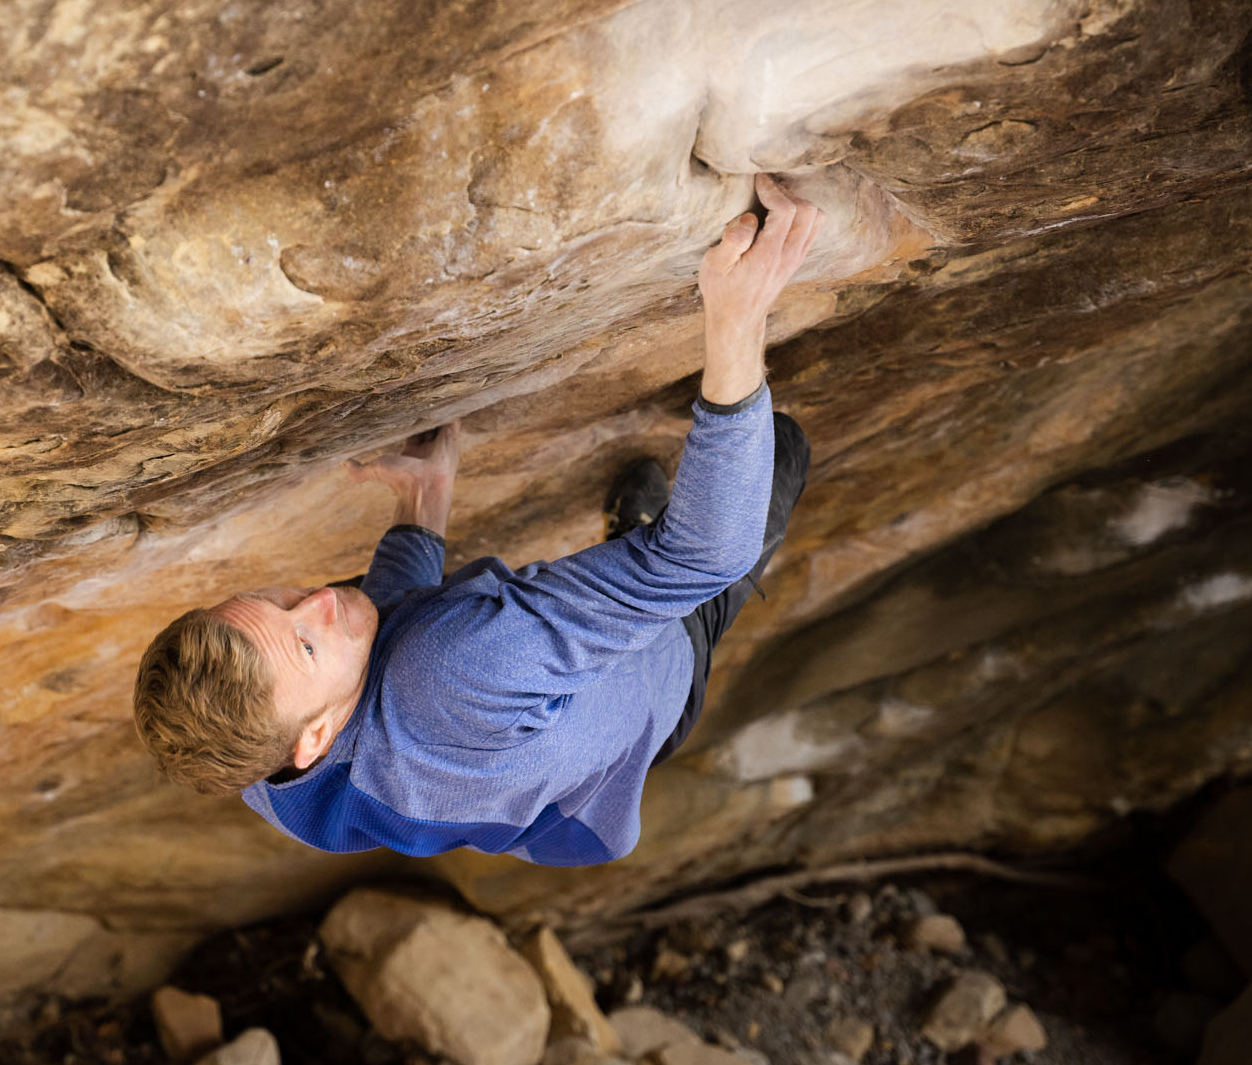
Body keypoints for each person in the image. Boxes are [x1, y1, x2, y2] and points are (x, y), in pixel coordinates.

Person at [132, 175, 823, 865]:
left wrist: (419, 515)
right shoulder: (462, 668)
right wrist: (738, 318)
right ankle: (637, 558)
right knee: (777, 448)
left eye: (277, 601)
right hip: (647, 696)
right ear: (312, 738)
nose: (319, 601)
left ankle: (623, 554)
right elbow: (706, 553)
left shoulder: (266, 772)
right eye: (307, 644)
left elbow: (380, 667)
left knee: (487, 651)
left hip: (548, 804)